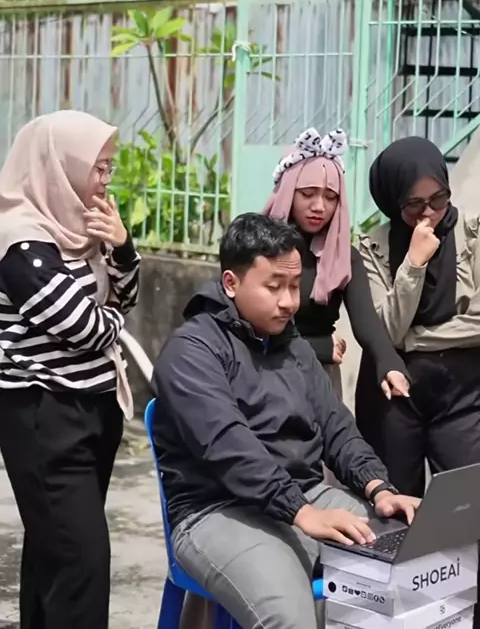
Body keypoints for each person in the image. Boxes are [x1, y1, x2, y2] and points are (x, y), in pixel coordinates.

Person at [153, 213, 419, 629]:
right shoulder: (192, 351)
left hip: (303, 495)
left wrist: (378, 487)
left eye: (295, 286)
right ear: (231, 283)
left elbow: (335, 425)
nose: (289, 302)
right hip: (216, 509)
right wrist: (301, 512)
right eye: (274, 286)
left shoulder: (292, 346)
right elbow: (229, 447)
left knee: (410, 566)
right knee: (290, 617)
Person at [0, 110, 140, 629]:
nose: (104, 180)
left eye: (108, 167)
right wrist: (113, 322)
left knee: (53, 555)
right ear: (59, 166)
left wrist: (122, 247)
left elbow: (128, 296)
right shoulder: (19, 241)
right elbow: (85, 327)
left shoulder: (80, 228)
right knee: (82, 564)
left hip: (89, 411)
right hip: (45, 416)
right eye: (97, 168)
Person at [358, 136, 480, 496]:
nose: (429, 213)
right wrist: (413, 264)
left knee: (463, 501)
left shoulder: (473, 235)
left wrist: (414, 339)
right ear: (393, 200)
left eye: (438, 199)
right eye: (414, 204)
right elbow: (386, 331)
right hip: (393, 397)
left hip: (464, 394)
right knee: (395, 504)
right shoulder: (373, 248)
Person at [263, 127, 410, 406]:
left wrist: (389, 363)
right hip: (264, 373)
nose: (319, 206)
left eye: (331, 197)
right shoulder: (257, 248)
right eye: (308, 193)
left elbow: (367, 323)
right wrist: (319, 346)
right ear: (288, 191)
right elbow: (252, 327)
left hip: (320, 382)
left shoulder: (344, 256)